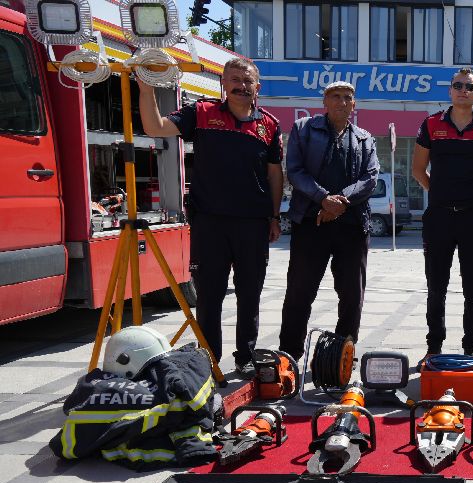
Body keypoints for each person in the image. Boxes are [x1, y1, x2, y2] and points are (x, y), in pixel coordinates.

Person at [138, 58, 283, 376]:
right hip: (209, 224)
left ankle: (246, 357)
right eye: (235, 79)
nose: (241, 86)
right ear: (223, 84)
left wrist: (275, 217)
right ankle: (208, 360)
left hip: (253, 224)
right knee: (209, 296)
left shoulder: (270, 125)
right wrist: (146, 87)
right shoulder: (201, 113)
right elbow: (154, 127)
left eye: (247, 80)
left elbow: (275, 175)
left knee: (249, 295)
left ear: (257, 87)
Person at [278, 81, 379, 360]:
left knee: (352, 295)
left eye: (347, 97)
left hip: (353, 225)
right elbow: (295, 171)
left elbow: (370, 177)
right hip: (311, 223)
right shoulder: (304, 129)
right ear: (324, 101)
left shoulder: (364, 138)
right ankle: (289, 354)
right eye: (335, 96)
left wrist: (340, 202)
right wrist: (323, 199)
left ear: (354, 104)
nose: (341, 102)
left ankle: (343, 353)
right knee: (300, 291)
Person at [412, 67, 473, 357]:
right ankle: (434, 347)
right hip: (439, 217)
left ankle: (470, 348)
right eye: (458, 85)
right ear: (450, 91)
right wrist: (439, 192)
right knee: (436, 287)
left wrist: (470, 194)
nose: (464, 90)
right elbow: (418, 169)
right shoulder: (431, 124)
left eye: (469, 86)